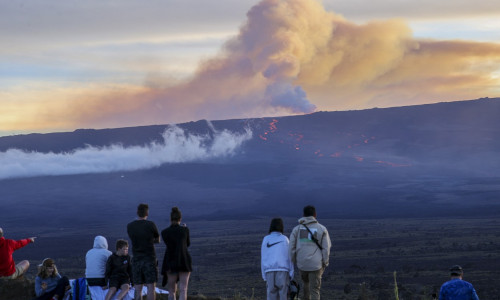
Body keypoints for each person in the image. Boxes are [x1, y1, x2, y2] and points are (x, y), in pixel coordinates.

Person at [289, 205, 331, 300]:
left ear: (303, 215)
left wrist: (294, 260)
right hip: (316, 265)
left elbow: (291, 247)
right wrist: (325, 262)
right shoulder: (322, 229)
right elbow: (326, 248)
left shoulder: (297, 229)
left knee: (305, 285)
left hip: (302, 264)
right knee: (315, 290)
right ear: (315, 215)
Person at [127, 203, 160, 300]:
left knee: (137, 288)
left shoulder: (130, 226)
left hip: (136, 260)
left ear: (137, 213)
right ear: (147, 213)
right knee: (151, 287)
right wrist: (149, 241)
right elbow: (157, 239)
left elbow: (133, 238)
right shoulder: (151, 225)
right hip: (149, 259)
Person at [161, 207, 192, 300]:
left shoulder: (164, 232)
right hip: (184, 260)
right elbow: (187, 244)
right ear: (180, 219)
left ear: (170, 219)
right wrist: (184, 228)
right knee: (183, 289)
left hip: (170, 261)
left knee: (171, 290)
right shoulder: (185, 230)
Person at [261, 218, 294, 300]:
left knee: (271, 294)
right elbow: (289, 256)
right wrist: (291, 272)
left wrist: (264, 274)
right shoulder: (284, 239)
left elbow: (263, 257)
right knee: (283, 295)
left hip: (269, 271)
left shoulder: (266, 239)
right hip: (283, 271)